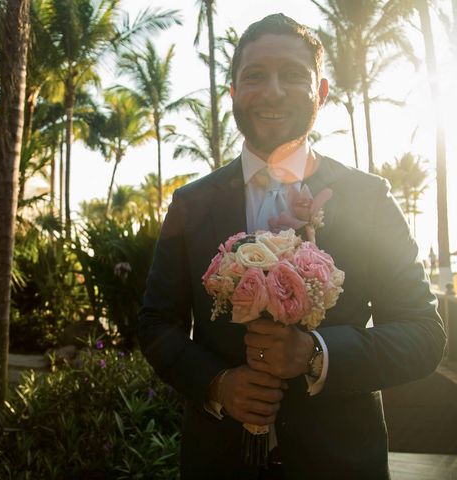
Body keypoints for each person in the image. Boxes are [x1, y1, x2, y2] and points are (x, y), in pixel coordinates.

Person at [138, 13, 446, 480]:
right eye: (255, 76)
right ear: (234, 94)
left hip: (341, 463)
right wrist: (218, 385)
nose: (273, 91)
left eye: (293, 75)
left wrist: (318, 353)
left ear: (321, 92)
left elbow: (423, 332)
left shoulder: (368, 198)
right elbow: (157, 323)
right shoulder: (191, 202)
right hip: (219, 463)